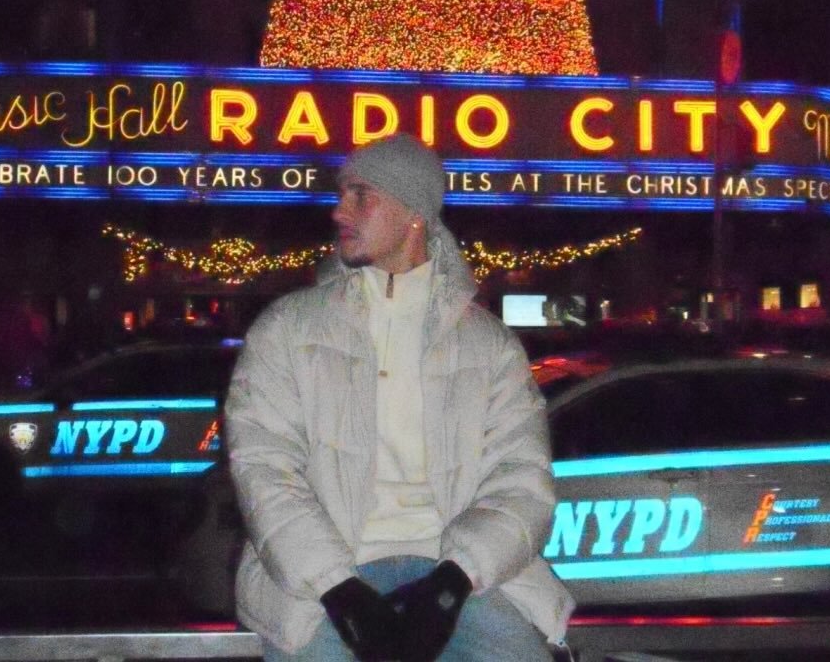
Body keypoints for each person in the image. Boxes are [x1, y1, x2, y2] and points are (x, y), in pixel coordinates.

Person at [225, 134, 573, 661]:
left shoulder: (488, 344)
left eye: (361, 195)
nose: (339, 210)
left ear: (414, 213)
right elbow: (264, 468)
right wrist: (338, 589)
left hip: (463, 576)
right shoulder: (287, 329)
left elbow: (521, 479)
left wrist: (452, 583)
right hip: (320, 583)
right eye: (342, 193)